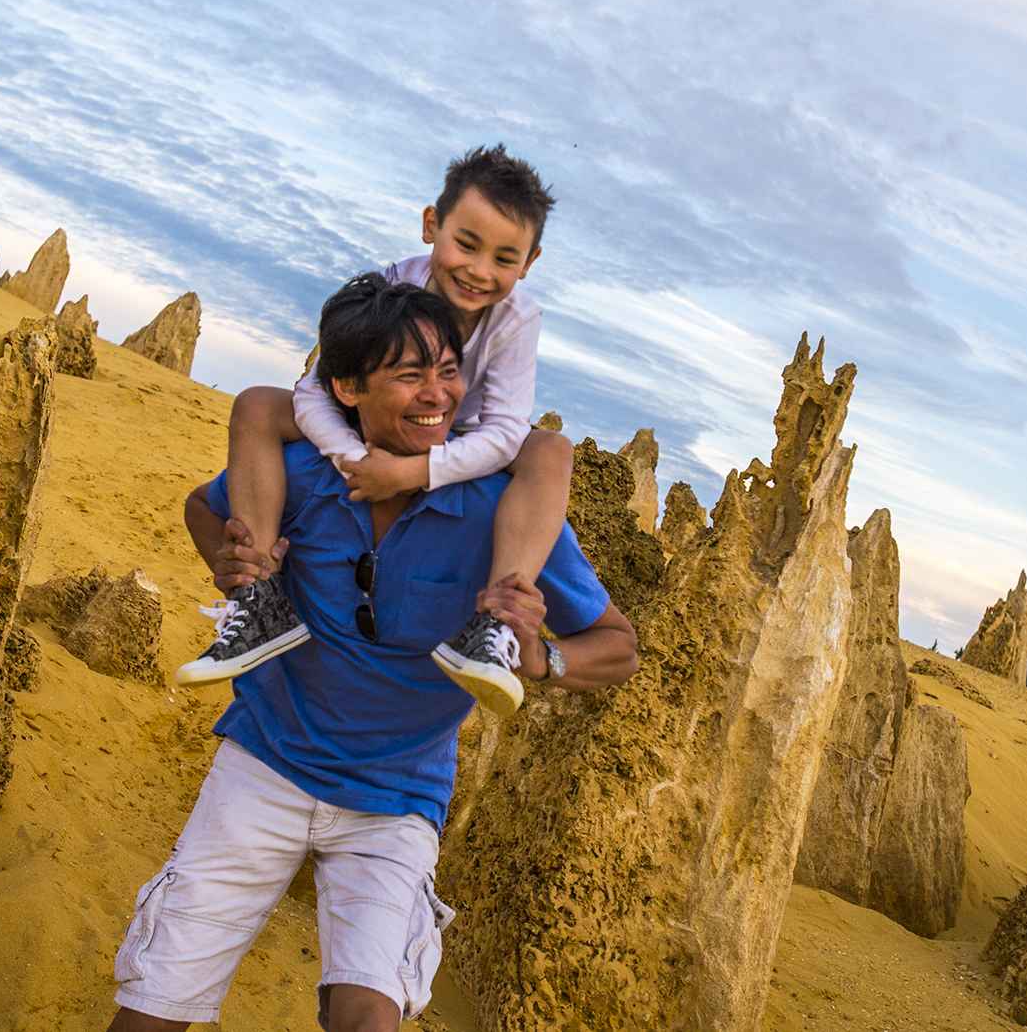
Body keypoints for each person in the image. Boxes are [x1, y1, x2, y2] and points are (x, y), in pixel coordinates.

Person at [109, 275, 638, 1032]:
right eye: (411, 374)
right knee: (151, 1008)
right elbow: (205, 505)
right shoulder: (297, 474)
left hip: (397, 799)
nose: (438, 395)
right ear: (346, 388)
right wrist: (233, 568)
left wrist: (542, 658)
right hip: (265, 762)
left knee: (368, 1017)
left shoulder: (501, 508)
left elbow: (619, 647)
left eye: (449, 370)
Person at [173, 146, 573, 715]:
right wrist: (349, 455)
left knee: (550, 450)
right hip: (379, 428)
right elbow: (316, 388)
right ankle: (257, 596)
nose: (480, 270)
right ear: (432, 226)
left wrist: (412, 473)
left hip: (465, 438)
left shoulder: (517, 320)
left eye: (505, 258)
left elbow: (507, 433)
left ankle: (494, 628)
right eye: (466, 243)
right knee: (260, 404)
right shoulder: (393, 284)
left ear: (529, 262)